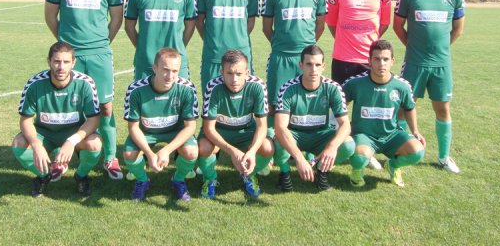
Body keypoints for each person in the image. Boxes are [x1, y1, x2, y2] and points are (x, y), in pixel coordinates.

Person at [44, 0, 124, 180]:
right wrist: (66, 46)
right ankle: (63, 156)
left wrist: (102, 43)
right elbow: (50, 16)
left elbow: (117, 19)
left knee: (105, 107)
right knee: (69, 105)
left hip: (99, 55)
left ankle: (110, 158)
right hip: (70, 56)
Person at [393, 0, 465, 174]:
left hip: (441, 65)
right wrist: (413, 47)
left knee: (443, 109)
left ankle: (443, 157)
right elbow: (397, 26)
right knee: (403, 109)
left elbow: (458, 29)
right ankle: (399, 151)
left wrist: (440, 49)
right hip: (414, 63)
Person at [325, 0, 391, 170]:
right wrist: (346, 40)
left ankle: (366, 150)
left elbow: (384, 24)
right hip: (343, 58)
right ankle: (334, 147)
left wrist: (368, 43)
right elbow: (332, 23)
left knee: (367, 107)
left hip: (369, 60)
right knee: (339, 105)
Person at [11, 41, 102, 197]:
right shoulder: (34, 83)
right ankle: (43, 176)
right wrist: (36, 144)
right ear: (49, 62)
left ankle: (81, 176)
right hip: (45, 134)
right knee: (18, 143)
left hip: (74, 133)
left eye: (66, 62)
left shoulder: (85, 83)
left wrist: (71, 141)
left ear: (73, 63)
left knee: (94, 143)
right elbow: (25, 120)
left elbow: (93, 120)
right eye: (57, 61)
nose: (61, 67)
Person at [344, 39, 425, 188]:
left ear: (392, 61)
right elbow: (339, 105)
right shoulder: (355, 83)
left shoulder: (402, 86)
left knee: (417, 152)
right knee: (360, 157)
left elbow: (409, 108)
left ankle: (393, 165)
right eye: (377, 59)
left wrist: (415, 131)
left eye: (385, 59)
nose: (381, 64)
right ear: (369, 61)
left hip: (391, 135)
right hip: (364, 135)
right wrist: (342, 128)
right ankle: (357, 172)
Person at [273, 45, 355, 192]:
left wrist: (331, 147)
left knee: (348, 145)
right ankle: (284, 172)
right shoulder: (287, 89)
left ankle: (321, 170)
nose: (313, 69)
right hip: (295, 135)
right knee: (278, 140)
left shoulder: (333, 88)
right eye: (309, 64)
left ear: (323, 66)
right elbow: (280, 127)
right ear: (301, 65)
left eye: (317, 65)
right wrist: (299, 158)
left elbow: (345, 125)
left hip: (320, 135)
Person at [122, 48, 199, 201]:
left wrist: (166, 150)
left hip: (175, 131)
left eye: (175, 71)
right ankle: (143, 180)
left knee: (191, 152)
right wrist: (149, 154)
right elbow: (133, 127)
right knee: (129, 154)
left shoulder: (187, 88)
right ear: (155, 68)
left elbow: (190, 126)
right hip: (146, 133)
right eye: (165, 70)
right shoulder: (135, 89)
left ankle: (178, 180)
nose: (170, 76)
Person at [197, 50, 274, 199]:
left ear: (247, 73)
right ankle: (210, 178)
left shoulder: (258, 86)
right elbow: (208, 128)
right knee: (204, 147)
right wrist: (232, 151)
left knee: (267, 147)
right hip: (219, 131)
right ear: (222, 73)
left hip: (246, 131)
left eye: (239, 74)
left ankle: (248, 174)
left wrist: (252, 152)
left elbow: (262, 126)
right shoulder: (213, 86)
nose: (234, 79)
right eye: (229, 73)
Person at [262, 0, 327, 114]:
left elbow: (321, 25)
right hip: (280, 57)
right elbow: (266, 28)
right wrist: (280, 44)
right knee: (275, 106)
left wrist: (307, 46)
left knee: (306, 104)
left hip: (308, 58)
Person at [195, 0, 259, 89]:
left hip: (242, 55)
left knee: (242, 99)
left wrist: (239, 38)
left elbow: (250, 22)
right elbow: (199, 22)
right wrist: (212, 40)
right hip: (214, 56)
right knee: (211, 98)